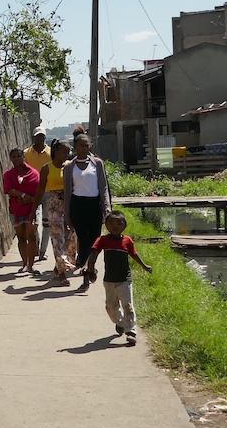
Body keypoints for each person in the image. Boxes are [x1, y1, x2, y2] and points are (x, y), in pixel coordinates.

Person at [86, 211, 151, 345]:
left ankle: (131, 331)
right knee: (110, 307)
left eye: (119, 223)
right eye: (111, 223)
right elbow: (93, 254)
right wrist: (90, 269)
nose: (115, 226)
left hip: (124, 280)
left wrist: (145, 266)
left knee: (128, 305)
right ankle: (120, 323)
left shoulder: (127, 241)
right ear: (106, 225)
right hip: (109, 281)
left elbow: (134, 255)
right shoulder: (103, 240)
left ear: (125, 226)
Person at [65, 132, 113, 292]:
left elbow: (103, 186)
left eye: (87, 145)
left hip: (94, 206)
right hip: (78, 207)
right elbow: (67, 193)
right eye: (81, 145)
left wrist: (107, 206)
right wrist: (67, 214)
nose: (84, 148)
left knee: (95, 242)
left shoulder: (97, 163)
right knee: (84, 240)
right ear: (75, 147)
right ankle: (86, 277)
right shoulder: (69, 167)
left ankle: (90, 266)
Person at [36, 139, 76, 285]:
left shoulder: (70, 167)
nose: (67, 154)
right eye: (64, 152)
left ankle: (58, 267)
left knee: (71, 238)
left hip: (69, 203)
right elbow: (40, 190)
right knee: (57, 238)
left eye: (68, 152)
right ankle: (62, 273)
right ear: (56, 152)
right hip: (53, 204)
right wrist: (33, 210)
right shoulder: (47, 168)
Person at [2, 148, 40, 275]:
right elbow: (8, 189)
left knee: (32, 236)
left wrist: (29, 200)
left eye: (18, 156)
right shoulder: (8, 175)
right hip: (16, 209)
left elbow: (38, 192)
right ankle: (24, 264)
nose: (16, 159)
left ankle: (31, 265)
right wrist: (23, 195)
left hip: (31, 209)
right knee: (21, 237)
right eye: (13, 157)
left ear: (23, 156)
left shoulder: (34, 173)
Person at [22, 126, 52, 266]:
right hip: (32, 193)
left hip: (48, 191)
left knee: (47, 223)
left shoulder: (51, 153)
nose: (40, 138)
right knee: (33, 223)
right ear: (33, 138)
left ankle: (42, 251)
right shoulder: (26, 153)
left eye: (42, 136)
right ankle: (36, 245)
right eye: (37, 136)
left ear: (45, 137)